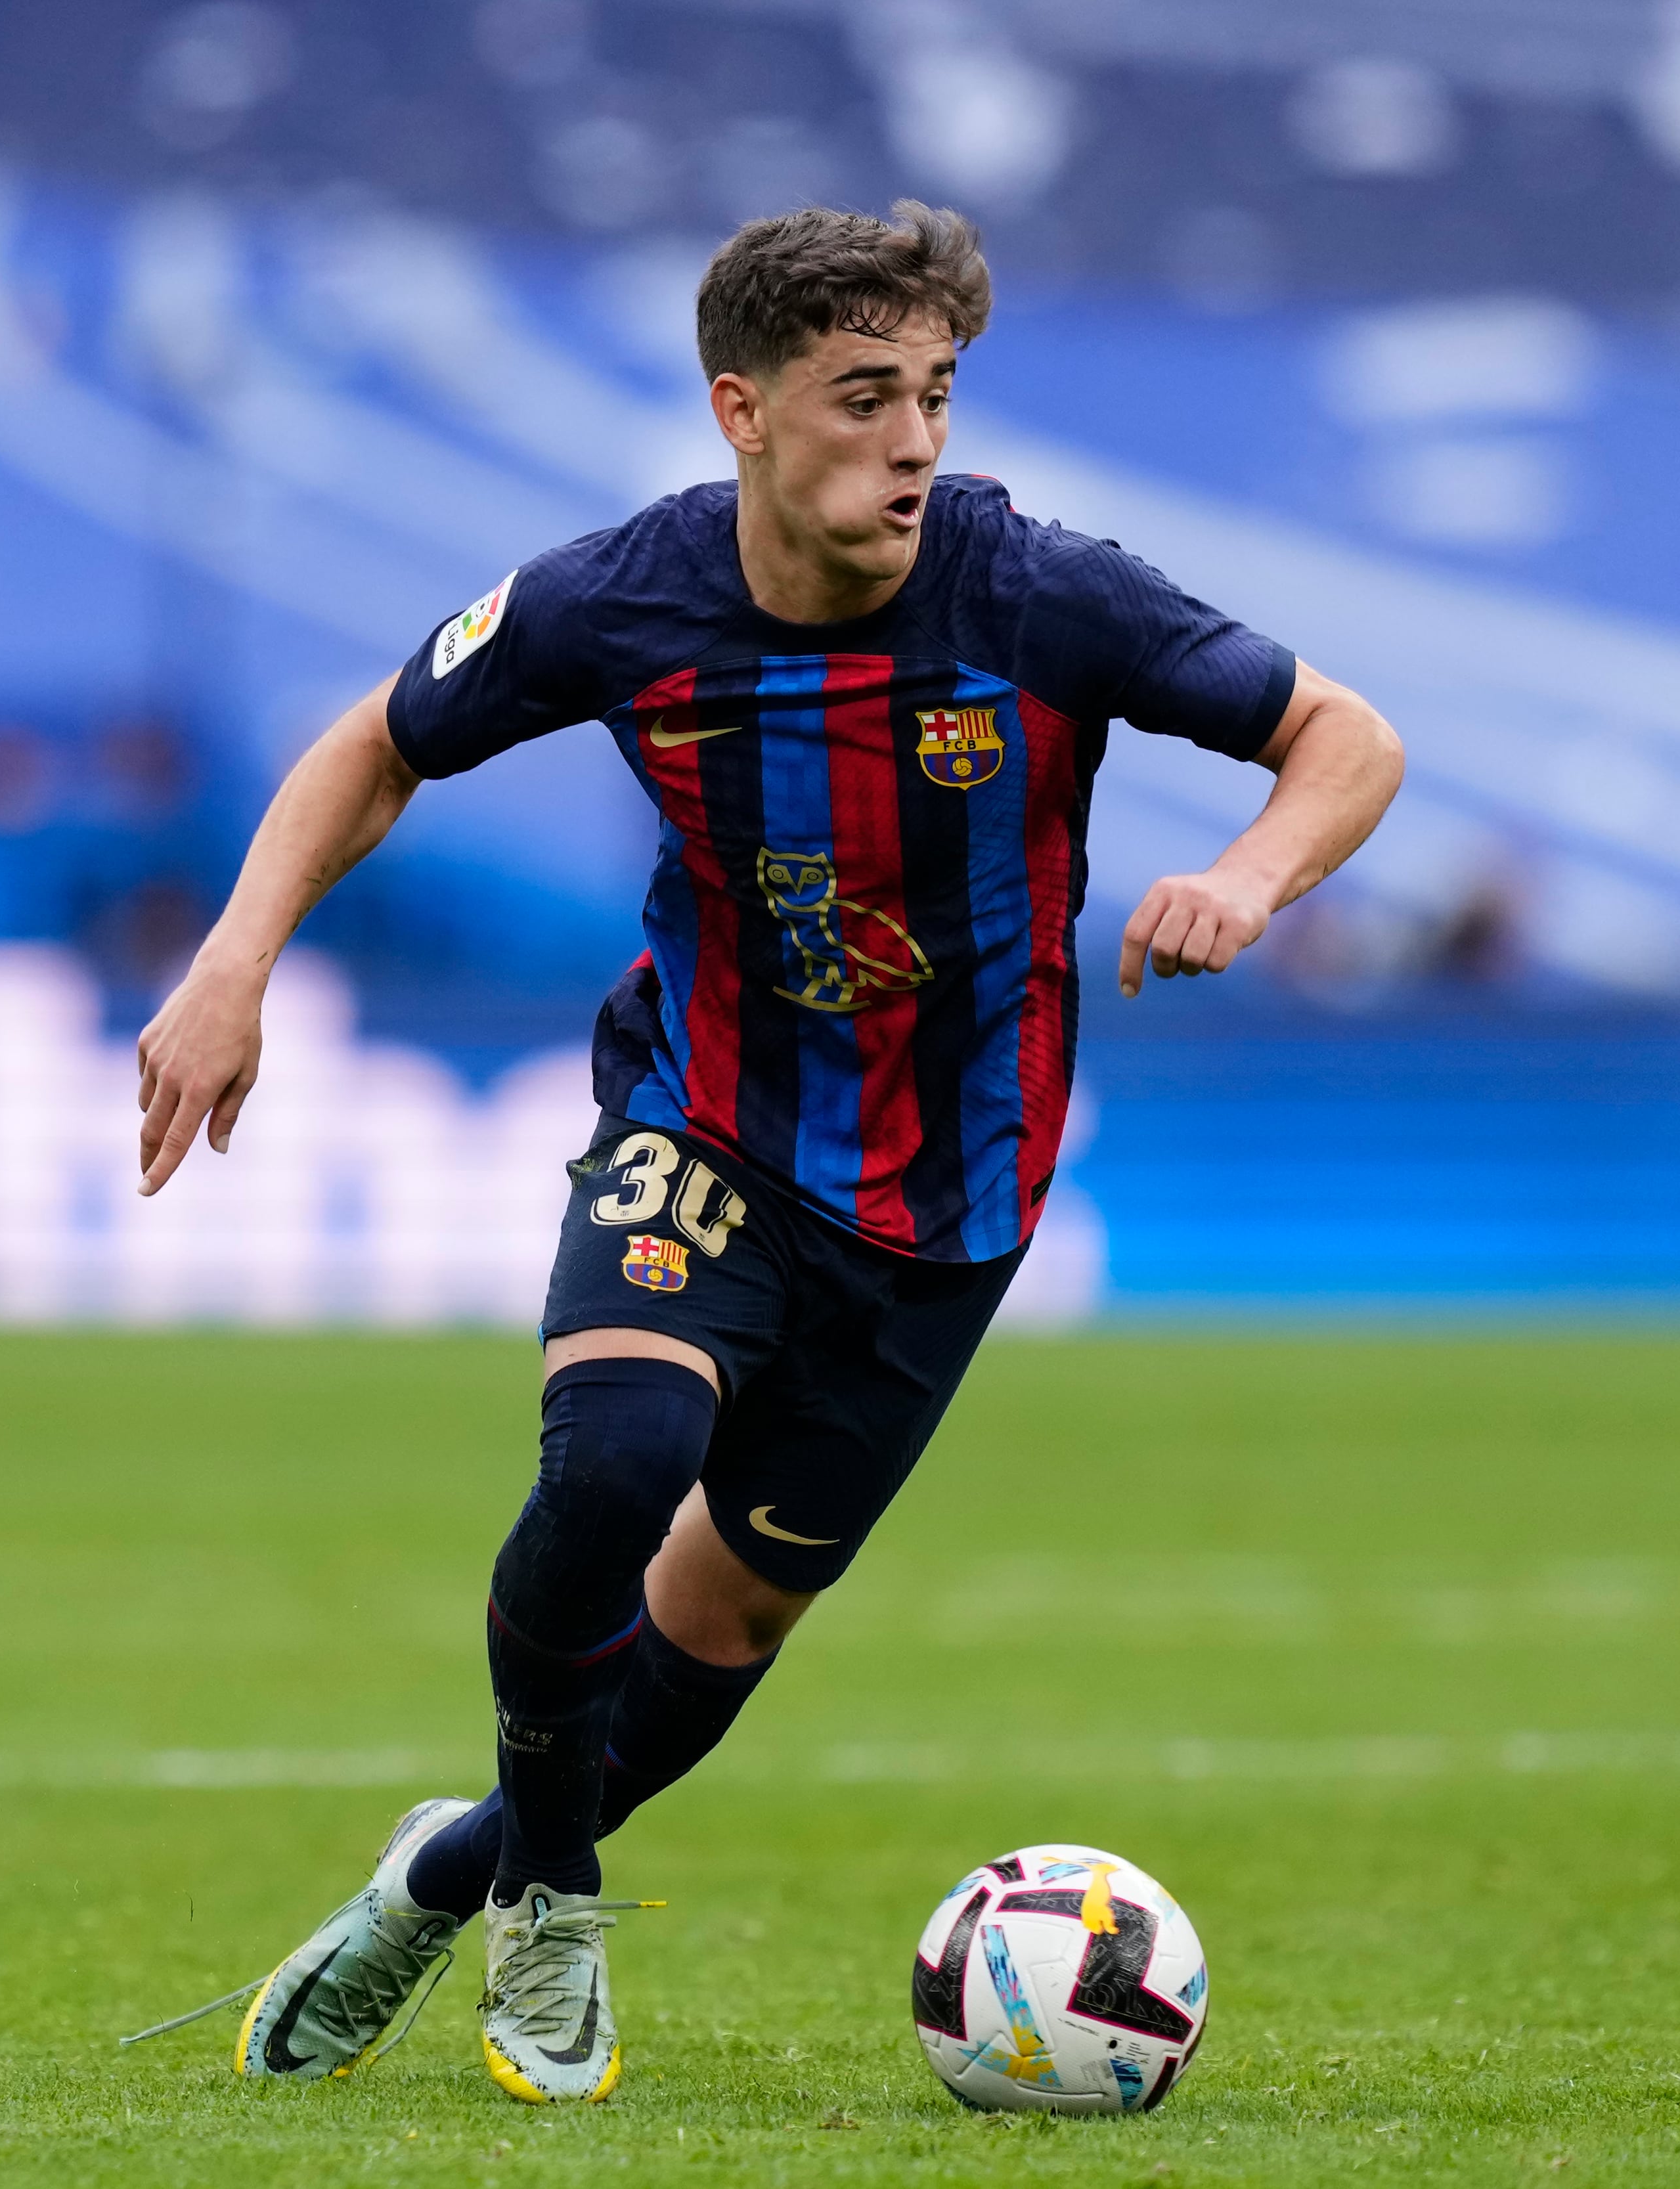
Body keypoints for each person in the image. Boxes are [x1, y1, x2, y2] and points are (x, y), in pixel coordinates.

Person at [127, 202, 1404, 2103]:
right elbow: (371, 745)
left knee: (717, 1625)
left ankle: (443, 1878)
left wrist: (1247, 873)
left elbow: (1344, 739)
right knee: (620, 1455)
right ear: (742, 410)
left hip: (947, 1206)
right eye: (864, 396)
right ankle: (552, 1906)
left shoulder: (1046, 598)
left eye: (939, 396)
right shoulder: (615, 602)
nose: (914, 441)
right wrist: (232, 964)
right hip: (706, 1121)